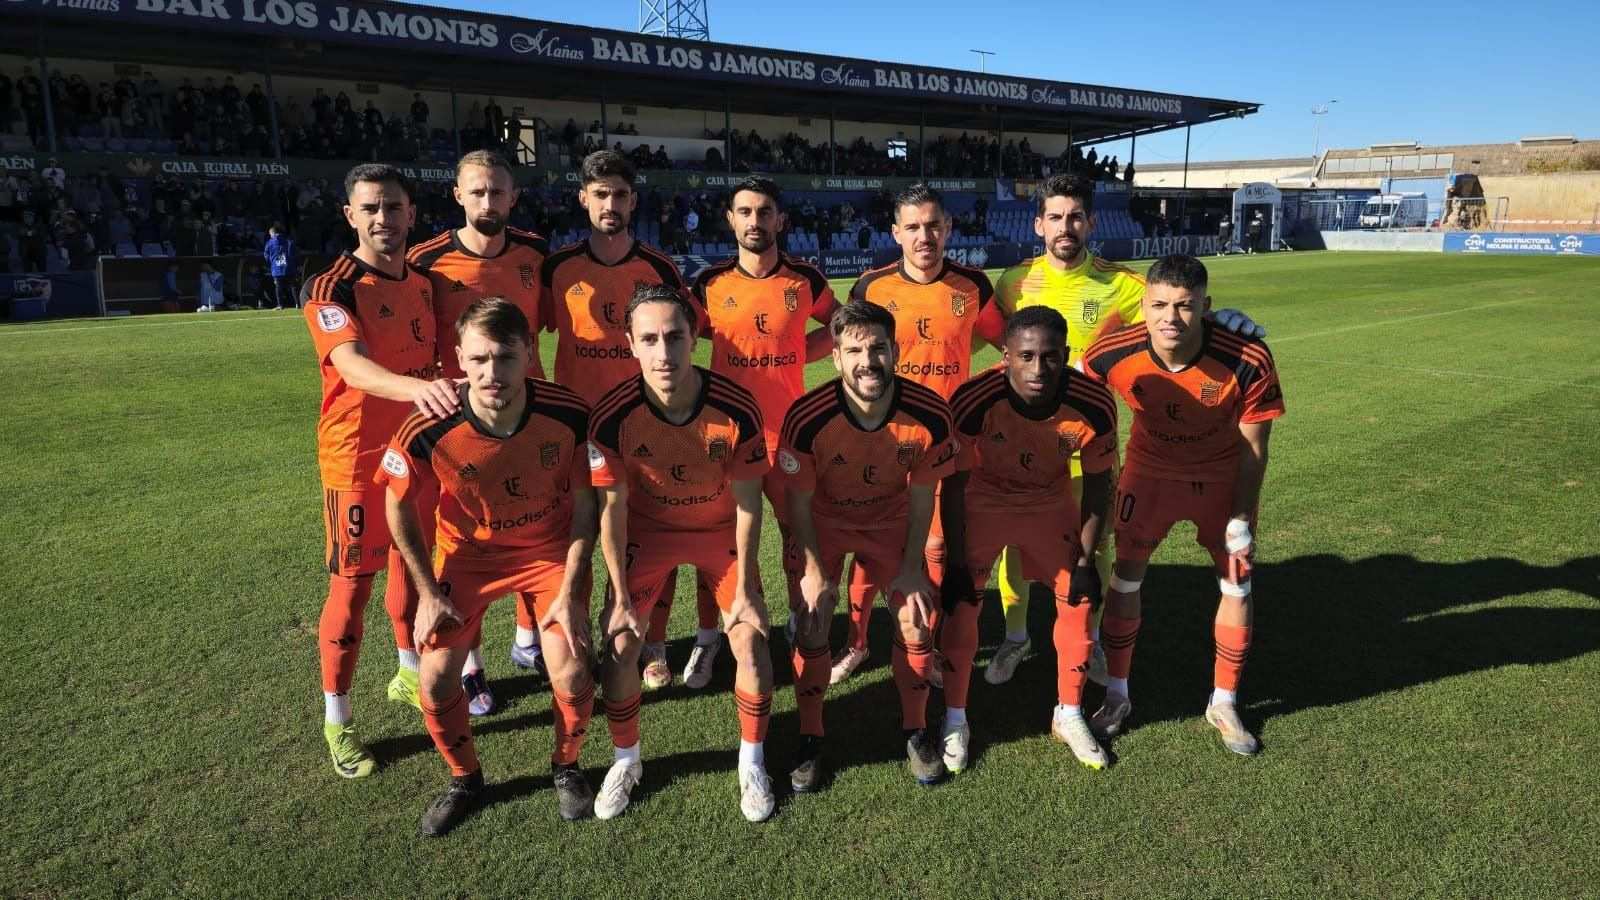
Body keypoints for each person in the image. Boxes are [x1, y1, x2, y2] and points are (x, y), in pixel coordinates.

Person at [988, 174, 1263, 690]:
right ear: (1038, 223)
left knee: (1097, 545)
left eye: (1075, 217)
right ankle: (1015, 637)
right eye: (1055, 217)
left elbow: (1178, 319)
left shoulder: (1127, 287)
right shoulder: (1013, 284)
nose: (1065, 227)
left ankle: (1089, 641)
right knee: (1016, 550)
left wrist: (1224, 318)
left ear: (1091, 222)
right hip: (1026, 445)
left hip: (1092, 445)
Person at [383, 298, 598, 836]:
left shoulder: (568, 413)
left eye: (505, 357)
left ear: (529, 355)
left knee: (570, 666)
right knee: (433, 681)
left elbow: (587, 505)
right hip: (470, 558)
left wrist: (572, 591)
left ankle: (566, 767)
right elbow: (397, 503)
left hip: (547, 554)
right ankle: (465, 778)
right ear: (458, 358)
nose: (491, 372)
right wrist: (428, 592)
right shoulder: (428, 426)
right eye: (478, 359)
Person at [1081, 254, 1284, 756]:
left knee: (1237, 584)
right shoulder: (1112, 352)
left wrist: (1240, 515)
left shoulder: (1247, 358)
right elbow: (1079, 384)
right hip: (1149, 476)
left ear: (1205, 308)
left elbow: (1255, 447)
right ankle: (1118, 694)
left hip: (1220, 480)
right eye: (1159, 305)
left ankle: (1224, 699)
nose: (1170, 318)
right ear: (1144, 306)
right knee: (1125, 579)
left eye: (1185, 306)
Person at [587, 284, 776, 822]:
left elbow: (747, 503)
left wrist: (744, 588)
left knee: (751, 639)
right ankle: (626, 760)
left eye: (675, 336)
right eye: (649, 339)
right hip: (650, 533)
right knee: (621, 643)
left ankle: (751, 760)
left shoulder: (735, 407)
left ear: (695, 337)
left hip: (718, 530)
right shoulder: (613, 416)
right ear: (629, 344)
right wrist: (620, 597)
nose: (663, 352)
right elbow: (613, 510)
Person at [300, 164, 458, 779]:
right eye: (370, 208)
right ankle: (337, 721)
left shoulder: (422, 282)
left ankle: (408, 675)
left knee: (412, 567)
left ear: (411, 214)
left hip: (412, 451)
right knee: (352, 585)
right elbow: (353, 367)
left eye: (393, 208)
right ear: (350, 216)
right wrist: (424, 391)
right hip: (355, 460)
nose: (382, 219)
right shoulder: (332, 286)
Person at [668, 176, 839, 691]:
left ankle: (794, 620)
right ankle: (707, 637)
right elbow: (680, 333)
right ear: (731, 219)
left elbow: (839, 327)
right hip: (724, 437)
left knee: (795, 537)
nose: (755, 222)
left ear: (781, 220)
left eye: (765, 212)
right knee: (718, 543)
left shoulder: (806, 279)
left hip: (787, 437)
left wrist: (796, 355)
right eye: (745, 212)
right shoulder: (709, 283)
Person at [780, 299, 957, 789]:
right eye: (854, 350)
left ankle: (917, 729)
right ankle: (810, 735)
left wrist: (911, 567)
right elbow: (799, 505)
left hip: (890, 522)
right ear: (835, 359)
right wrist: (814, 570)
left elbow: (923, 499)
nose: (867, 360)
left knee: (917, 619)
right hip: (824, 524)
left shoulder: (929, 413)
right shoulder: (807, 417)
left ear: (895, 351)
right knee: (813, 623)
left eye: (878, 347)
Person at [932, 307, 1118, 772]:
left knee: (1076, 601)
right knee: (961, 605)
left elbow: (1099, 485)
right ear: (1006, 355)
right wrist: (955, 559)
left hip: (1048, 502)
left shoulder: (1093, 403)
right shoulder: (974, 397)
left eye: (1051, 357)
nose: (1039, 370)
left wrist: (1086, 558)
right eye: (1027, 356)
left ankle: (1069, 713)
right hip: (984, 499)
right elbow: (952, 482)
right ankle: (956, 718)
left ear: (1066, 356)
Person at [835, 183, 1005, 684]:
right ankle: (857, 642)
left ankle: (923, 645)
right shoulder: (871, 287)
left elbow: (1006, 343)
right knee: (869, 547)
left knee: (934, 549)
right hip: (879, 437)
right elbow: (850, 351)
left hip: (942, 444)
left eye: (933, 224)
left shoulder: (973, 286)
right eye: (912, 226)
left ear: (948, 228)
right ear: (895, 232)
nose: (924, 235)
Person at [408, 149, 555, 710]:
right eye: (477, 192)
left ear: (513, 197)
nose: (487, 202)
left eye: (498, 192)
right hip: (460, 423)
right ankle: (470, 664)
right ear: (458, 195)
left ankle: (527, 641)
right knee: (467, 537)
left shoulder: (535, 252)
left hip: (530, 409)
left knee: (537, 522)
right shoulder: (427, 260)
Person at [543, 150, 689, 687]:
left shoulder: (659, 269)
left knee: (652, 538)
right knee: (577, 535)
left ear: (634, 199)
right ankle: (578, 635)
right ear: (583, 198)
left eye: (621, 194)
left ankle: (653, 643)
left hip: (645, 425)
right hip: (576, 432)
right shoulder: (557, 269)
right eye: (600, 194)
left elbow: (679, 342)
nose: (611, 204)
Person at [263, 224, 294, 310]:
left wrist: (271, 261)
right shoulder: (288, 241)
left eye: (270, 234)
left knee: (278, 287)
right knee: (293, 286)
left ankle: (280, 305)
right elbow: (292, 254)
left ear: (272, 233)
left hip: (276, 269)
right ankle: (297, 304)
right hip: (288, 267)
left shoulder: (269, 243)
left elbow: (266, 255)